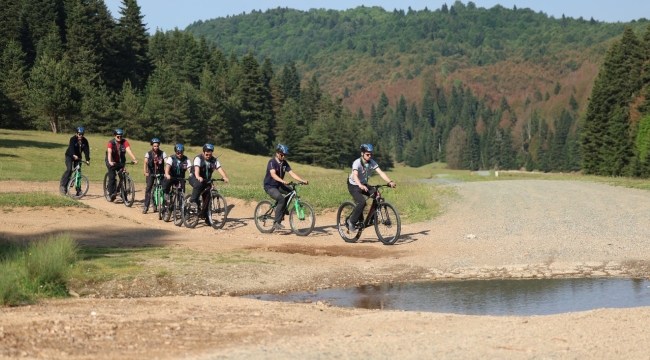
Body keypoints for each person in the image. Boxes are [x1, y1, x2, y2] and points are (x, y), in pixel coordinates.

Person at [346, 143, 395, 232]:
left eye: (371, 154)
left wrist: (389, 181)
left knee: (377, 194)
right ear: (362, 153)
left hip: (363, 184)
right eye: (367, 154)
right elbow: (356, 175)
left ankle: (372, 218)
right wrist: (360, 185)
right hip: (353, 185)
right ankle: (351, 222)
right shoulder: (357, 163)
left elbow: (381, 173)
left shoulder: (372, 162)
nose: (369, 156)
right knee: (362, 202)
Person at [263, 144, 308, 230]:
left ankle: (282, 208)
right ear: (277, 153)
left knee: (291, 192)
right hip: (270, 186)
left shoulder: (284, 163)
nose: (283, 156)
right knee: (281, 199)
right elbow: (273, 174)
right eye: (281, 154)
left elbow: (291, 173)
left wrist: (302, 180)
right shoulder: (272, 162)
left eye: (285, 155)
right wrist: (283, 181)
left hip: (278, 185)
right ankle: (276, 222)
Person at [189, 144, 229, 212]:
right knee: (199, 185)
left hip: (206, 180)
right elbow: (196, 169)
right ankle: (193, 200)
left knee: (207, 196)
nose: (208, 156)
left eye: (210, 154)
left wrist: (225, 177)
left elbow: (219, 169)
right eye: (207, 154)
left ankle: (207, 218)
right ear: (203, 152)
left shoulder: (214, 160)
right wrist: (198, 176)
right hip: (194, 177)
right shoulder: (198, 158)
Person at [105, 128, 138, 200]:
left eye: (121, 136)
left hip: (121, 162)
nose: (119, 138)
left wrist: (134, 159)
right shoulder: (111, 143)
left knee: (123, 175)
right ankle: (112, 193)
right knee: (112, 176)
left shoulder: (124, 142)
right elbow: (109, 152)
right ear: (114, 136)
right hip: (111, 160)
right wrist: (110, 161)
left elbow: (128, 150)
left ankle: (123, 194)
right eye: (118, 136)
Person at [60, 126, 90, 195]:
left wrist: (87, 159)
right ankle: (63, 186)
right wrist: (73, 154)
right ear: (76, 133)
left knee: (78, 173)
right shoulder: (73, 139)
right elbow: (71, 147)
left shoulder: (85, 141)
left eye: (82, 134)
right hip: (69, 156)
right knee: (69, 169)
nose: (81, 136)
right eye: (79, 134)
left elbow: (86, 150)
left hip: (78, 157)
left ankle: (78, 190)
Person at [142, 138, 167, 214]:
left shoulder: (163, 153)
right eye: (154, 146)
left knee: (165, 188)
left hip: (161, 173)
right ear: (152, 146)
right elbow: (145, 163)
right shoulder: (148, 154)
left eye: (157, 146)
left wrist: (167, 171)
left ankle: (164, 206)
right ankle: (146, 206)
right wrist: (145, 172)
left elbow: (166, 161)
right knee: (149, 188)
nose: (156, 147)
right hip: (151, 173)